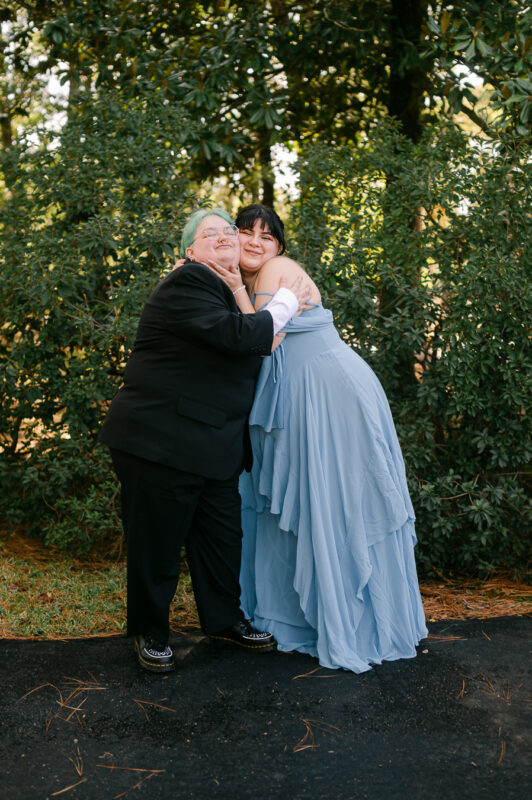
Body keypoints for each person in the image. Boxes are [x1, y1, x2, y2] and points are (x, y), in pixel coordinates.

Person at [208, 203, 428, 673]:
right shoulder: (245, 281)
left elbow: (261, 340)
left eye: (267, 236)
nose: (254, 242)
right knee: (305, 503)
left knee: (334, 500)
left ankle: (352, 619)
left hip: (330, 394)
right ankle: (298, 618)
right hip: (297, 398)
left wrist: (235, 288)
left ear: (279, 247)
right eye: (245, 231)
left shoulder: (275, 270)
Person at [99, 207, 311, 673]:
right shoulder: (188, 282)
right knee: (157, 545)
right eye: (208, 233)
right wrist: (285, 302)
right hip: (161, 441)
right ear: (190, 252)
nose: (224, 236)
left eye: (227, 231)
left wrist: (250, 299)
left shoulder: (227, 291)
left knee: (222, 540)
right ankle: (151, 633)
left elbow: (251, 346)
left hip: (214, 443)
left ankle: (223, 621)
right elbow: (242, 337)